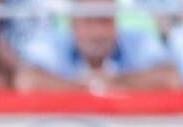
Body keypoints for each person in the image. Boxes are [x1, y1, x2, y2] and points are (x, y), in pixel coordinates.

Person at [16, 8, 181, 91]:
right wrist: (84, 88)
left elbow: (170, 78)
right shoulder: (54, 41)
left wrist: (113, 82)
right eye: (89, 21)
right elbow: (26, 80)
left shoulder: (136, 39)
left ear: (116, 23)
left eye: (104, 21)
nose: (98, 32)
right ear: (73, 24)